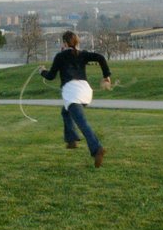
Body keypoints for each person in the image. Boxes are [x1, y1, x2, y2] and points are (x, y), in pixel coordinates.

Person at [40, 30, 112, 168]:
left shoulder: (60, 56)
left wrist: (41, 71)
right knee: (65, 112)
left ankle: (97, 149)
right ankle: (71, 139)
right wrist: (106, 76)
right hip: (85, 91)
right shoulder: (82, 54)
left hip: (72, 93)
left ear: (64, 43)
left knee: (82, 122)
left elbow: (50, 76)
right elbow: (101, 58)